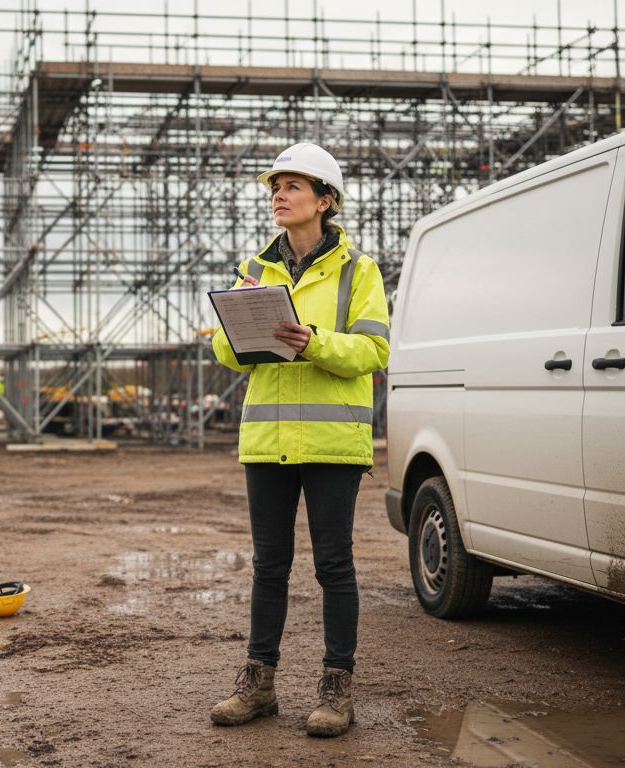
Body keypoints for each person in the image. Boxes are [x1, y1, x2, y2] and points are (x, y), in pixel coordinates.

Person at [208, 142, 390, 738]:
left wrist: (311, 341)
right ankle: (259, 683)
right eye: (274, 188)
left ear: (325, 200)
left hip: (332, 443)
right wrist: (238, 336)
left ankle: (337, 688)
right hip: (267, 440)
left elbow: (373, 351)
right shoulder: (255, 269)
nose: (278, 197)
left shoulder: (359, 271)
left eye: (291, 187)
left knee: (334, 566)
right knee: (269, 566)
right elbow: (223, 350)